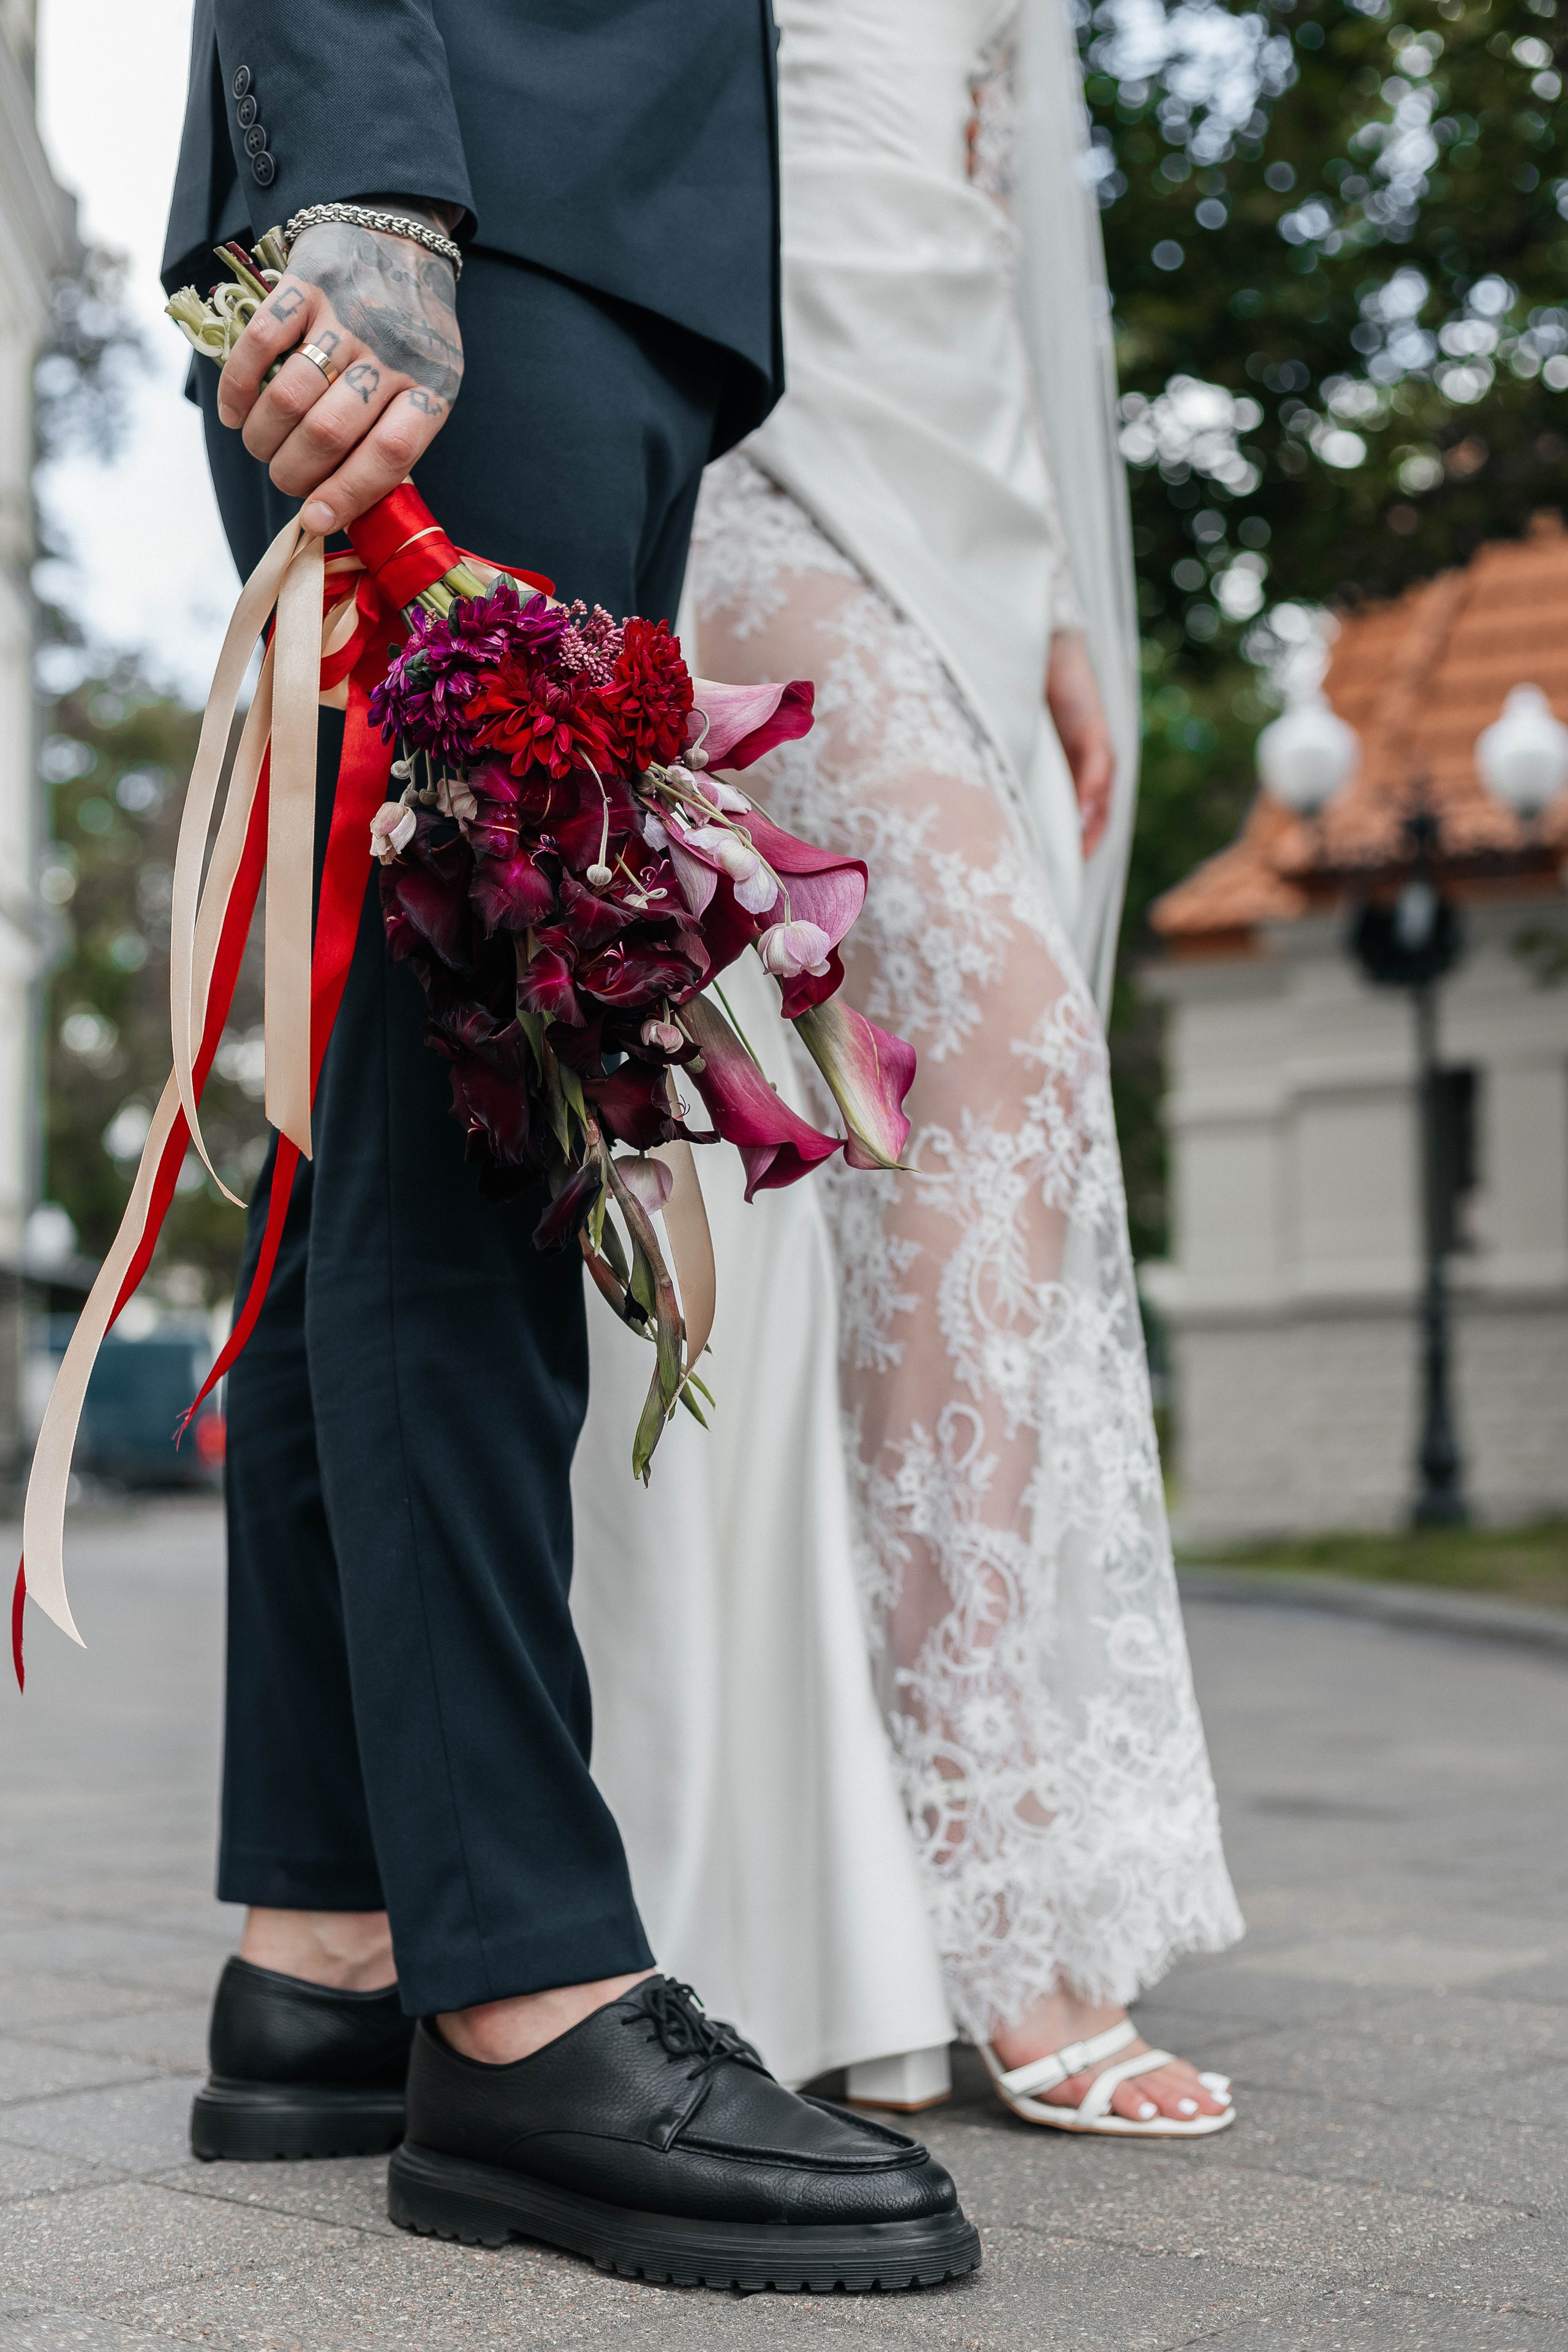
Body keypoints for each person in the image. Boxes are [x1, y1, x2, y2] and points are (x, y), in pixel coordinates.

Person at [159, 0, 982, 2291]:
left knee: (386, 1114)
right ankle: (520, 1998)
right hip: (463, 209)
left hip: (578, 246)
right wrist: (370, 183)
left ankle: (328, 1945)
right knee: (475, 1112)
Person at [571, 0, 1246, 2136]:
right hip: (749, 446)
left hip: (958, 501)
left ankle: (861, 1866)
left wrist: (1042, 589)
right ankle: (979, 1854)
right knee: (1000, 1038)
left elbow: (985, 191)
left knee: (904, 1112)